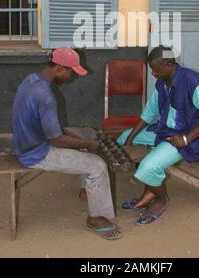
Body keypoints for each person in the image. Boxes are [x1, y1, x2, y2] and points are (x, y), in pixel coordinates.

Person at [12, 47, 121, 240]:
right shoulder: (46, 96)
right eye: (71, 71)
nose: (71, 77)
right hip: (36, 152)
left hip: (29, 139)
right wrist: (86, 144)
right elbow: (56, 139)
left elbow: (51, 128)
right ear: (60, 68)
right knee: (97, 165)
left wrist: (83, 140)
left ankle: (87, 190)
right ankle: (96, 218)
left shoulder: (32, 79)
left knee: (88, 133)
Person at [117, 45, 199, 226]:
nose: (153, 74)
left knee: (148, 167)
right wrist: (130, 138)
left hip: (185, 138)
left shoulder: (193, 81)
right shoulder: (161, 82)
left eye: (155, 70)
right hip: (163, 131)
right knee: (122, 139)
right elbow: (149, 113)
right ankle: (151, 188)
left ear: (168, 65)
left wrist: (185, 139)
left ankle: (161, 199)